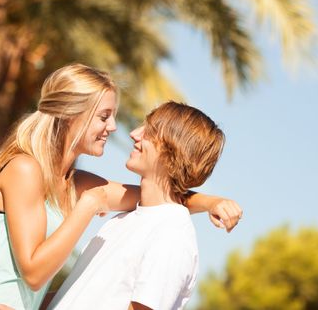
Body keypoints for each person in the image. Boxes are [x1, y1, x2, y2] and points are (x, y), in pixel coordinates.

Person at [0, 64, 242, 310]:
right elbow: (34, 273)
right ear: (70, 115)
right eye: (103, 116)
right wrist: (87, 206)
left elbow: (159, 200)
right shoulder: (25, 170)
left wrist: (211, 202)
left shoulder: (79, 185)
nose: (113, 127)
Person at [48, 101, 226, 310]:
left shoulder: (172, 234)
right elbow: (77, 295)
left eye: (149, 132)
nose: (134, 134)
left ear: (173, 151)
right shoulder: (125, 219)